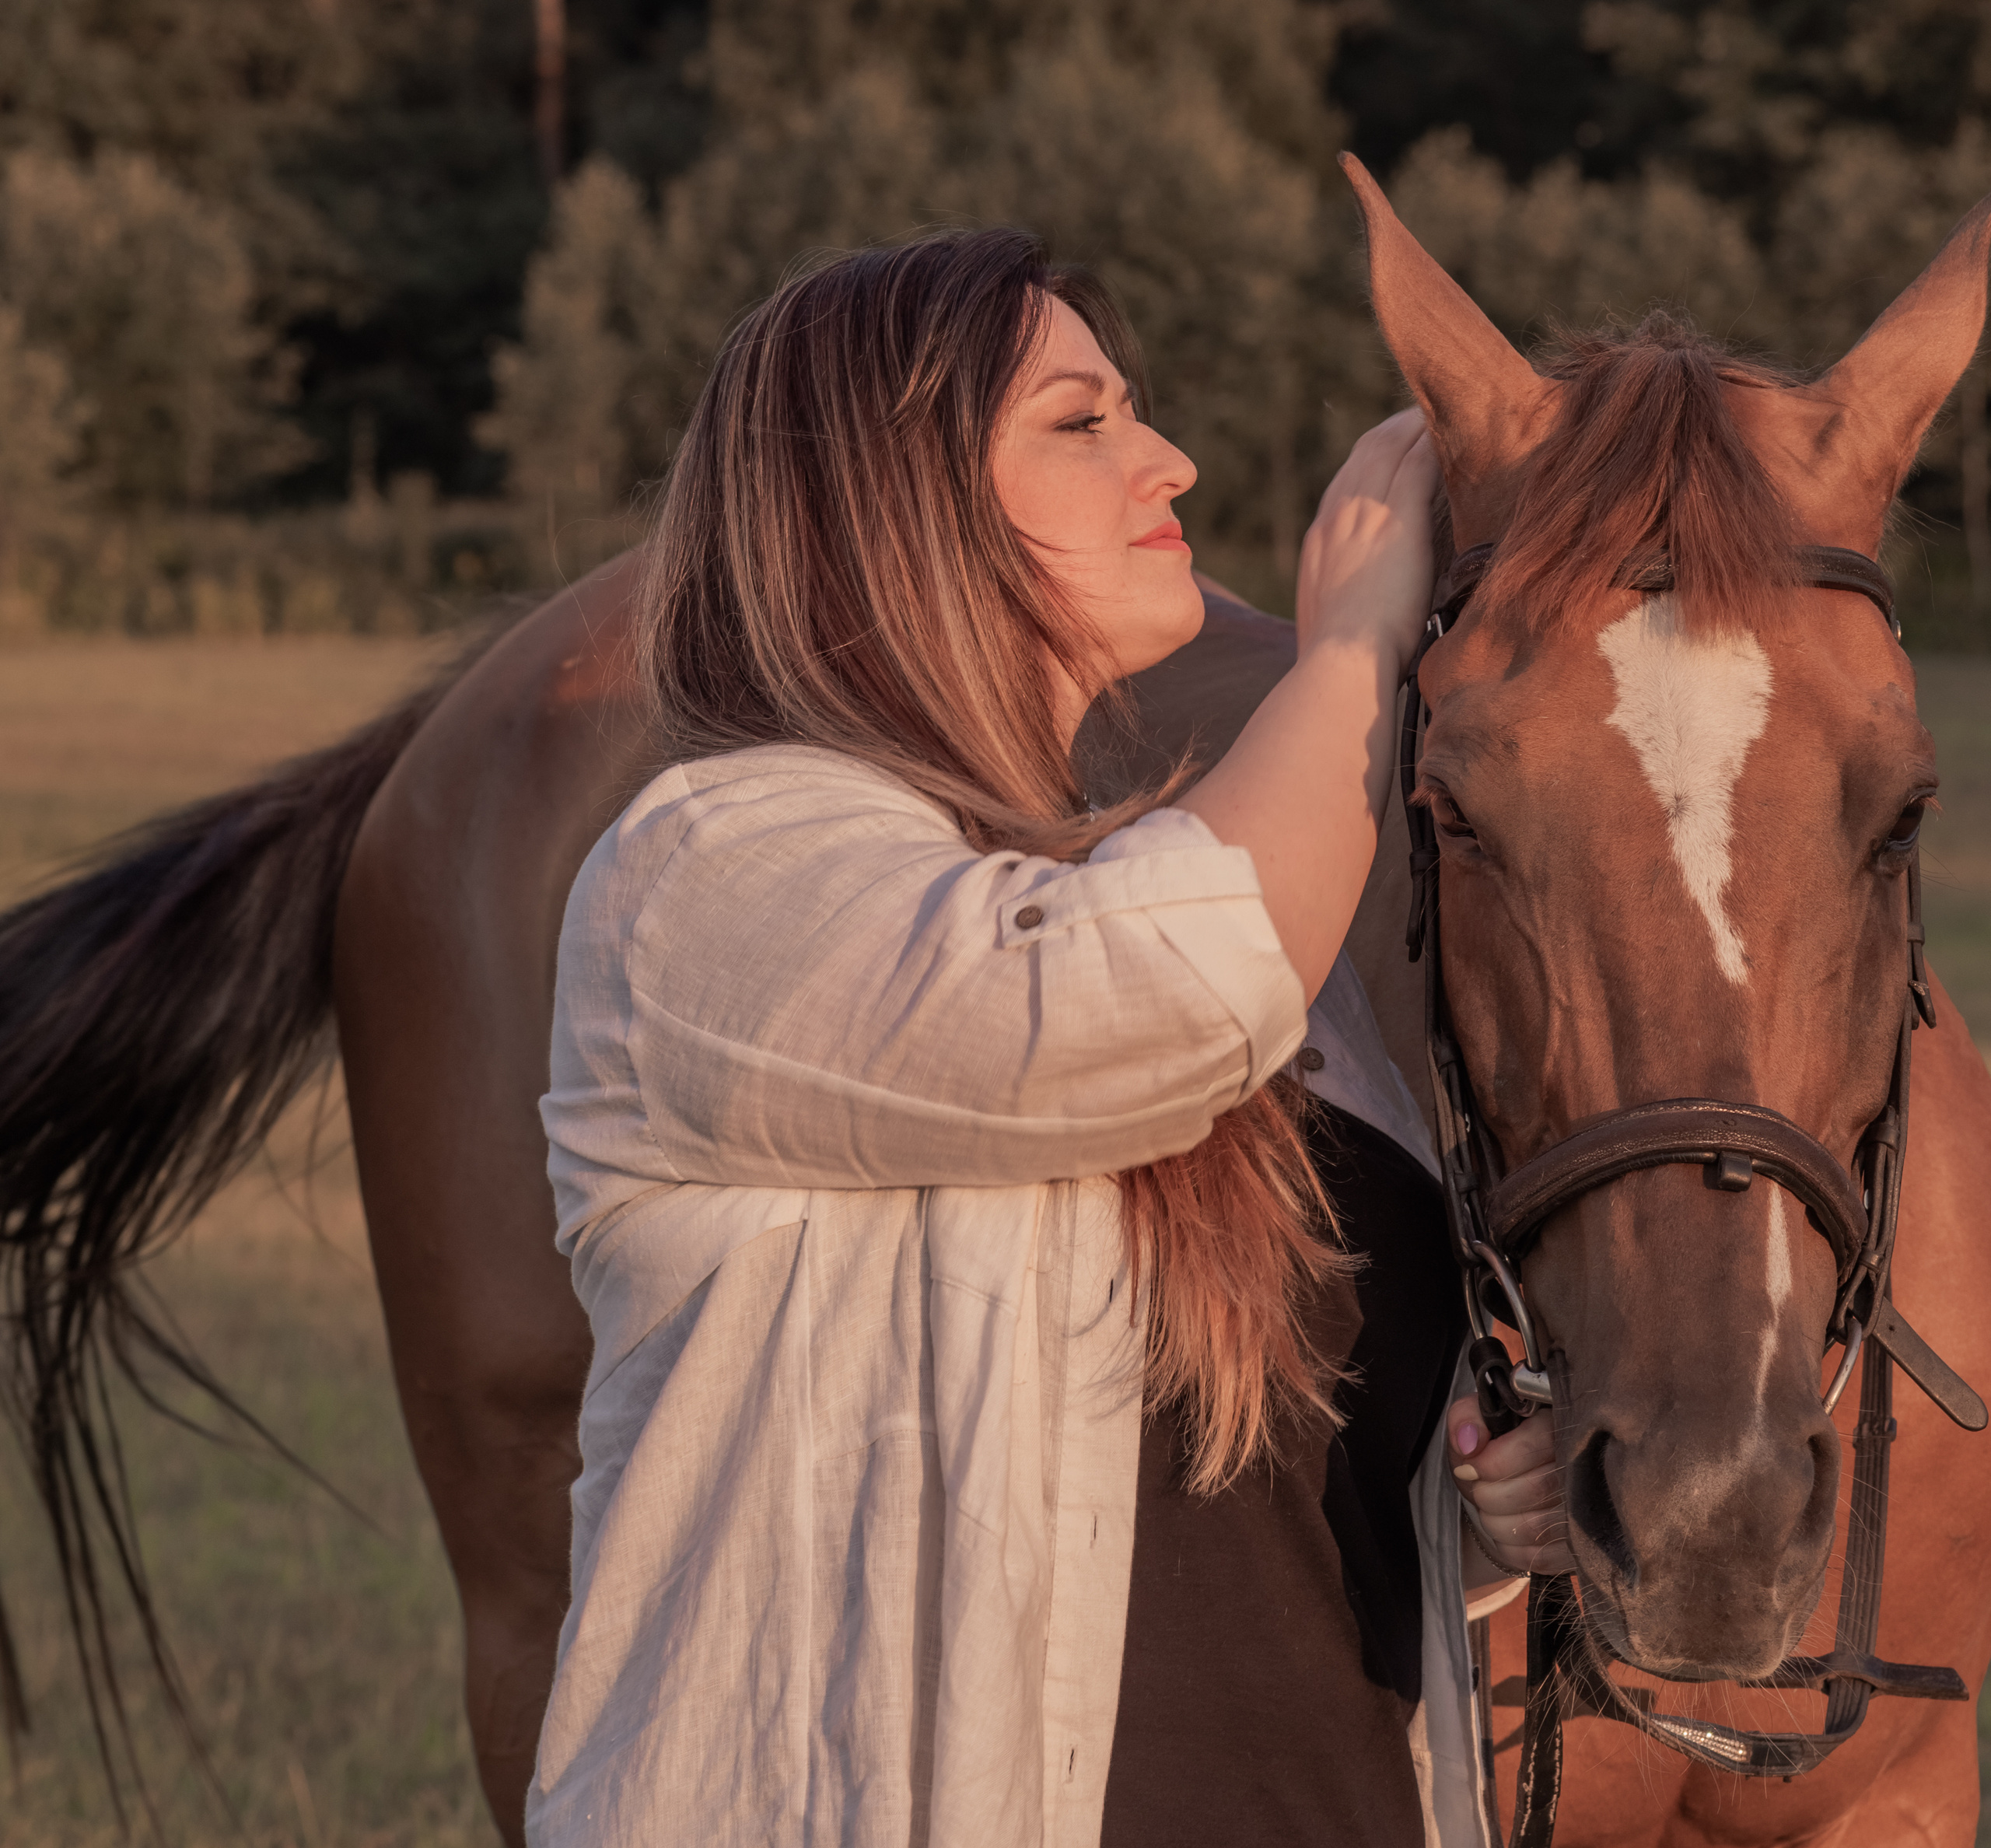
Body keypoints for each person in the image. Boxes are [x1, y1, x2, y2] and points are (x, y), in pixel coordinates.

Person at [527, 227, 1568, 1848]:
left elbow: (1222, 1503)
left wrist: (1475, 1504)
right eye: (1080, 423)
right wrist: (1356, 646)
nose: (1170, 458)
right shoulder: (706, 882)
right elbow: (1131, 1000)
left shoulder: (1229, 944)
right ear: (884, 502)